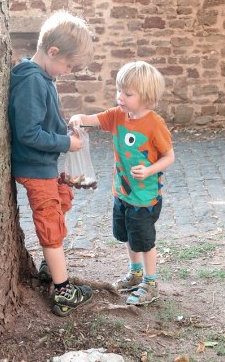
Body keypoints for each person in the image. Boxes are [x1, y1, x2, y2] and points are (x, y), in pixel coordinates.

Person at [9, 10, 94, 316]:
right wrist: (65, 143)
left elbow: (46, 120)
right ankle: (62, 290)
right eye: (68, 65)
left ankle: (49, 263)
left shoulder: (44, 76)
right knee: (51, 226)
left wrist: (66, 131)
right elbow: (29, 132)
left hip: (46, 166)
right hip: (34, 167)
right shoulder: (31, 81)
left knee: (63, 202)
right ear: (53, 52)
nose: (68, 71)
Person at [69, 61, 175, 305]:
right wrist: (78, 118)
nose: (120, 97)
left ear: (146, 97)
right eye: (118, 91)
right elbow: (92, 119)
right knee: (128, 235)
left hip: (145, 199)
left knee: (144, 241)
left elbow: (169, 157)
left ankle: (150, 283)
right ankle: (135, 274)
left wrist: (149, 170)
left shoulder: (154, 124)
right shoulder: (118, 116)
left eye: (127, 94)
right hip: (122, 194)